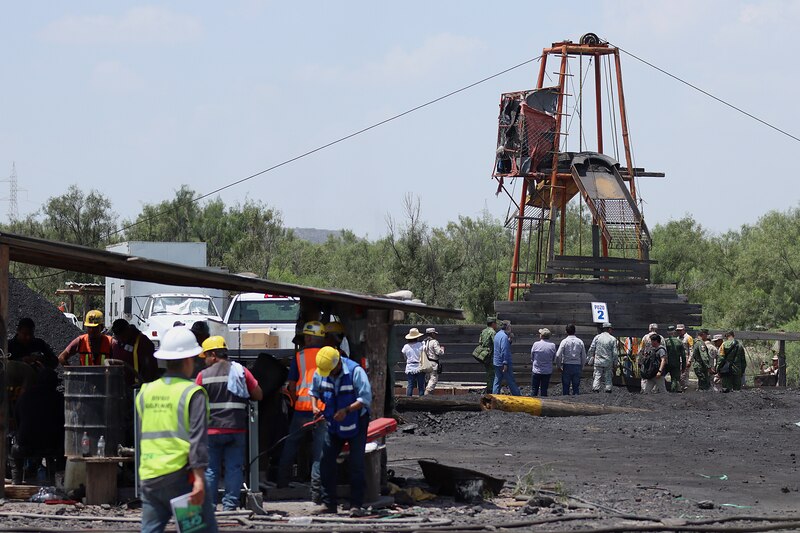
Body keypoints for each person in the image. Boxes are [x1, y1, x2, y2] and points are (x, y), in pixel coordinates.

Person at [136, 327, 217, 533]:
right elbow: (198, 440)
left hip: (150, 476)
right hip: (181, 479)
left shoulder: (145, 392)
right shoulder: (193, 393)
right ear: (189, 360)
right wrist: (199, 479)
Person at [196, 336, 263, 511]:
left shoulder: (203, 376)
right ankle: (230, 507)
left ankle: (209, 508)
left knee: (210, 470)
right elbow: (258, 394)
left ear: (213, 354)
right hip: (236, 429)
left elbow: (195, 402)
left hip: (211, 431)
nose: (204, 362)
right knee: (234, 469)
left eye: (206, 357)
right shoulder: (240, 371)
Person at [311, 346, 372, 516]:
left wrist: (346, 410)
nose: (327, 374)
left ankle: (356, 505)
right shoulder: (321, 372)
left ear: (337, 363)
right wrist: (314, 406)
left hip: (357, 422)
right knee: (326, 461)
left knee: (356, 464)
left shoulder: (355, 372)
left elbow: (365, 398)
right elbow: (313, 391)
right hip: (334, 424)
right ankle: (328, 503)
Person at [277, 321, 328, 502]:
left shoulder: (299, 357)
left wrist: (295, 400)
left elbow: (291, 385)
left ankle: (282, 482)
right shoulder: (330, 356)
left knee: (290, 446)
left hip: (301, 410)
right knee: (319, 452)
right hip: (321, 411)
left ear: (308, 337)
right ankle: (317, 489)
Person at [11, 367, 64, 484]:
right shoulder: (60, 399)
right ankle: (60, 479)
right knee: (63, 444)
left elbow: (17, 420)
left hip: (25, 446)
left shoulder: (24, 397)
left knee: (14, 446)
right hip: (53, 446)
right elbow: (63, 423)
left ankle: (16, 480)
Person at [111, 319, 159, 383]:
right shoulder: (117, 342)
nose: (121, 339)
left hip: (136, 386)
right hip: (119, 385)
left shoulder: (143, 342)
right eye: (118, 337)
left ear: (128, 330)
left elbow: (150, 369)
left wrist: (144, 385)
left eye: (123, 336)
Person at [555, 324, 586, 395]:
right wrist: (582, 366)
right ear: (575, 331)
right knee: (576, 387)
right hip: (577, 365)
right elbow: (583, 355)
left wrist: (558, 366)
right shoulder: (580, 342)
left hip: (567, 365)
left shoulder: (564, 341)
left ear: (566, 331)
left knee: (565, 387)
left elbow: (558, 355)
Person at [588, 322, 618, 393]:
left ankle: (595, 389)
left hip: (598, 361)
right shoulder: (612, 339)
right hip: (608, 361)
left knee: (597, 375)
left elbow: (591, 348)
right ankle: (608, 389)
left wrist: (589, 358)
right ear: (609, 329)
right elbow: (615, 353)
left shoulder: (597, 337)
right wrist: (615, 363)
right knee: (608, 376)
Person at [493, 322, 520, 395]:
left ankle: (494, 396)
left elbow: (501, 346)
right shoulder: (504, 336)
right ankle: (518, 397)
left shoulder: (498, 334)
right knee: (511, 380)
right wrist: (505, 363)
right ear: (507, 327)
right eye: (510, 327)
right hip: (503, 362)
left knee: (497, 380)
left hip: (496, 361)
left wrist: (510, 339)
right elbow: (504, 350)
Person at [473, 317, 498, 394]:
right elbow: (496, 343)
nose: (496, 325)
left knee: (488, 373)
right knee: (492, 374)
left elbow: (480, 342)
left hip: (484, 355)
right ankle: (491, 391)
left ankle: (489, 389)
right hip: (491, 356)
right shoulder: (492, 332)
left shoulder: (483, 331)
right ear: (493, 324)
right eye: (495, 323)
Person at [530, 328, 556, 397]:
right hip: (547, 371)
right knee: (544, 389)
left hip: (536, 370)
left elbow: (532, 356)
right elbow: (553, 358)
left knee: (534, 389)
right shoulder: (552, 345)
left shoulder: (536, 344)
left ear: (541, 336)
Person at [401, 328, 426, 396]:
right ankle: (422, 400)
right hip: (420, 366)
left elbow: (404, 356)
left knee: (410, 385)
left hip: (410, 366)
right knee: (421, 385)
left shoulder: (406, 346)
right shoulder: (420, 344)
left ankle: (408, 400)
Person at [423, 328, 445, 395]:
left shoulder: (424, 342)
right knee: (433, 379)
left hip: (426, 363)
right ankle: (427, 393)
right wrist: (442, 349)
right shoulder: (434, 342)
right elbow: (439, 352)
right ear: (432, 333)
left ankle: (427, 393)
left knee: (427, 379)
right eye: (434, 333)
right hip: (433, 363)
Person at [663, 326, 685, 392]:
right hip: (676, 363)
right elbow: (683, 356)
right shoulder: (679, 342)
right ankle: (673, 392)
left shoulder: (665, 341)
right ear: (674, 332)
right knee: (674, 379)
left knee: (660, 377)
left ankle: (659, 390)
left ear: (667, 332)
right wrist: (683, 366)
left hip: (666, 363)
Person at [638, 324, 659, 390]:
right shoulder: (660, 337)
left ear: (649, 329)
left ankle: (644, 390)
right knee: (655, 374)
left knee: (644, 373)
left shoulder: (645, 337)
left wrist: (639, 360)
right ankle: (654, 390)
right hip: (656, 360)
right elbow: (663, 349)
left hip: (646, 359)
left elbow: (641, 349)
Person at [676, 324, 694, 391]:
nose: (679, 332)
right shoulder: (677, 338)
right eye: (678, 330)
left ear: (684, 330)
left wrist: (689, 360)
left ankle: (685, 388)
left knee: (684, 375)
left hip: (685, 359)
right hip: (678, 359)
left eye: (680, 330)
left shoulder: (689, 337)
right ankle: (680, 388)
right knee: (679, 375)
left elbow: (691, 349)